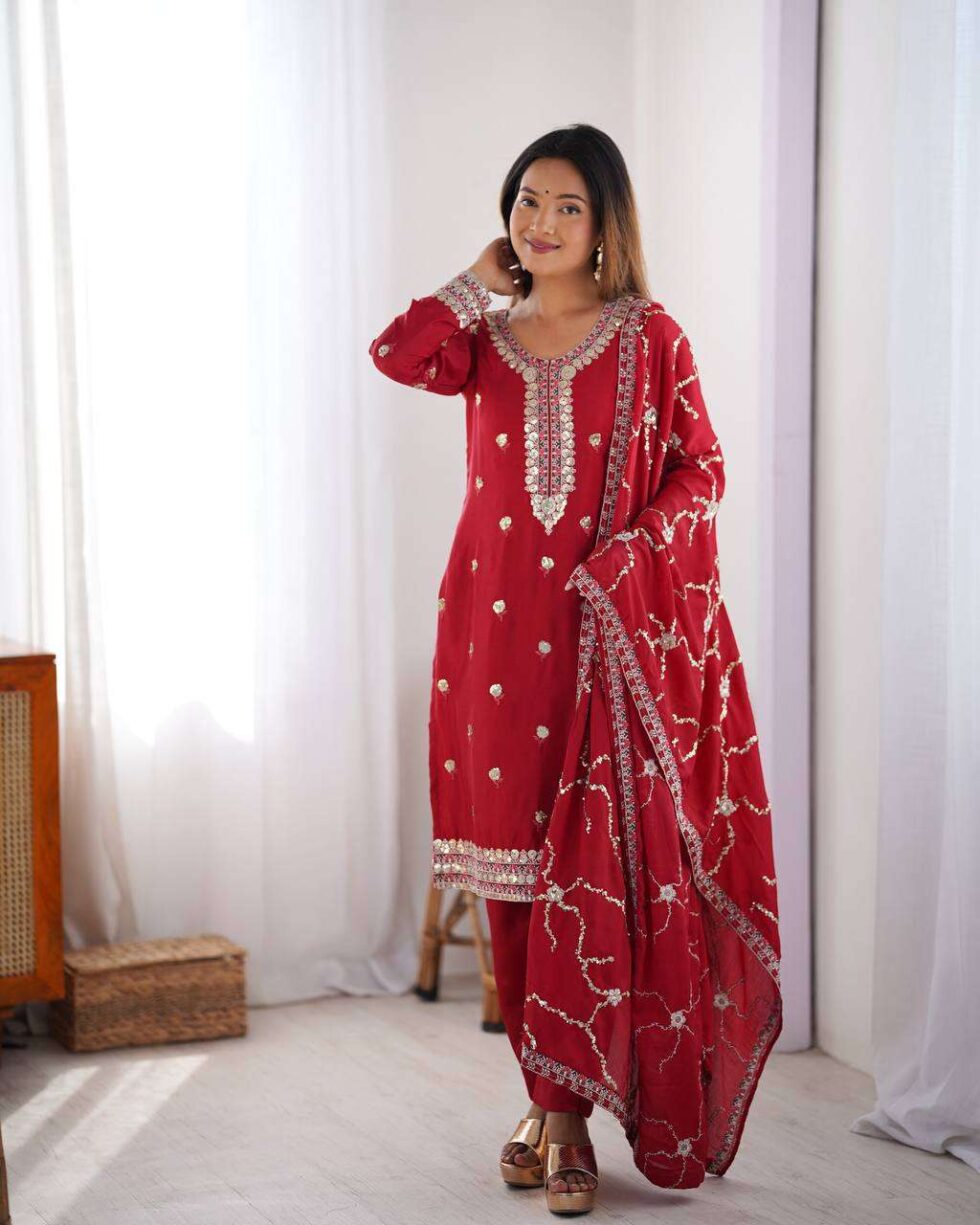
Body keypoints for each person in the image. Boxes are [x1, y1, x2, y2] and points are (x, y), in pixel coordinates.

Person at [368, 124, 783, 1215]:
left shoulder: (651, 337)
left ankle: (559, 1118)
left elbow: (702, 470)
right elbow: (395, 353)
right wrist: (474, 282)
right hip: (493, 645)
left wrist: (631, 556)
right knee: (510, 881)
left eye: (565, 207)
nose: (539, 223)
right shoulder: (481, 341)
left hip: (609, 646)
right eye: (525, 202)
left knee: (594, 877)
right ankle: (554, 1111)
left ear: (603, 225)